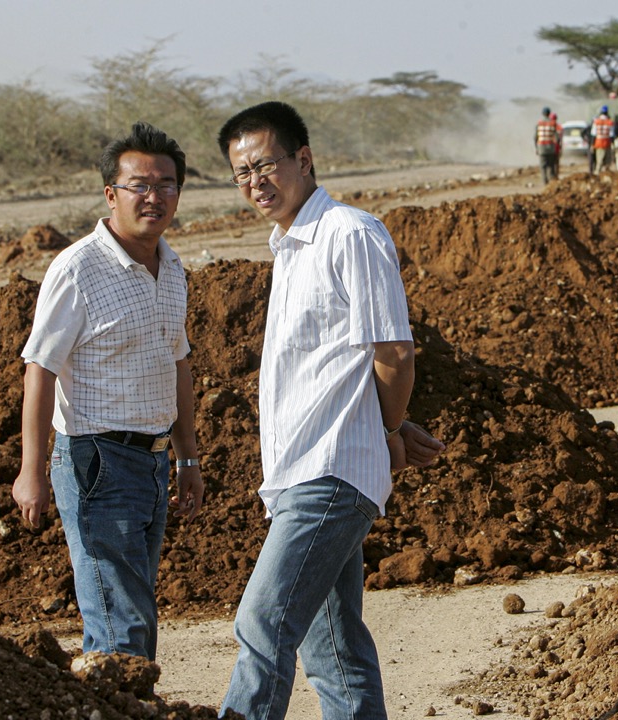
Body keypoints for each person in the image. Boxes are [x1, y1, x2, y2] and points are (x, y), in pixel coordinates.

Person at [216, 101, 445, 720]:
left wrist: (389, 430)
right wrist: (386, 424)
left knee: (262, 624)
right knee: (334, 651)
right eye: (241, 173)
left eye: (266, 164)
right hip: (297, 473)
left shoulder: (349, 233)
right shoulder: (289, 246)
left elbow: (394, 351)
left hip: (331, 471)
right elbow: (339, 367)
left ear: (304, 158)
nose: (255, 182)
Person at [11, 122, 204, 661]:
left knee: (130, 613)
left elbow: (179, 364)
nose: (154, 196)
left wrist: (187, 458)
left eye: (166, 184)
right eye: (139, 184)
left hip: (153, 461)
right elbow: (39, 368)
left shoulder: (172, 266)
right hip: (97, 461)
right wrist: (32, 469)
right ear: (111, 194)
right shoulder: (77, 268)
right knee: (122, 623)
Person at [534, 106, 560, 185]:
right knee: (550, 165)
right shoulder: (553, 123)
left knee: (543, 166)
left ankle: (544, 181)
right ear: (549, 114)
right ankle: (551, 182)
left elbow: (535, 137)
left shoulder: (539, 123)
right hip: (551, 147)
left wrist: (536, 148)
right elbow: (557, 137)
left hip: (541, 147)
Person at [591, 105, 615, 175]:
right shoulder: (610, 122)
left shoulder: (596, 122)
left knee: (599, 160)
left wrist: (592, 145)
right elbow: (611, 135)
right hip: (607, 143)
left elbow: (593, 134)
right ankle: (606, 174)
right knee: (608, 161)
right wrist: (612, 143)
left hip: (598, 143)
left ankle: (597, 173)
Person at [549, 111, 563, 180]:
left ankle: (552, 177)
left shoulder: (549, 126)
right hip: (557, 148)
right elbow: (560, 139)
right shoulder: (559, 127)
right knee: (556, 163)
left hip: (551, 148)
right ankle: (555, 176)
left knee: (551, 163)